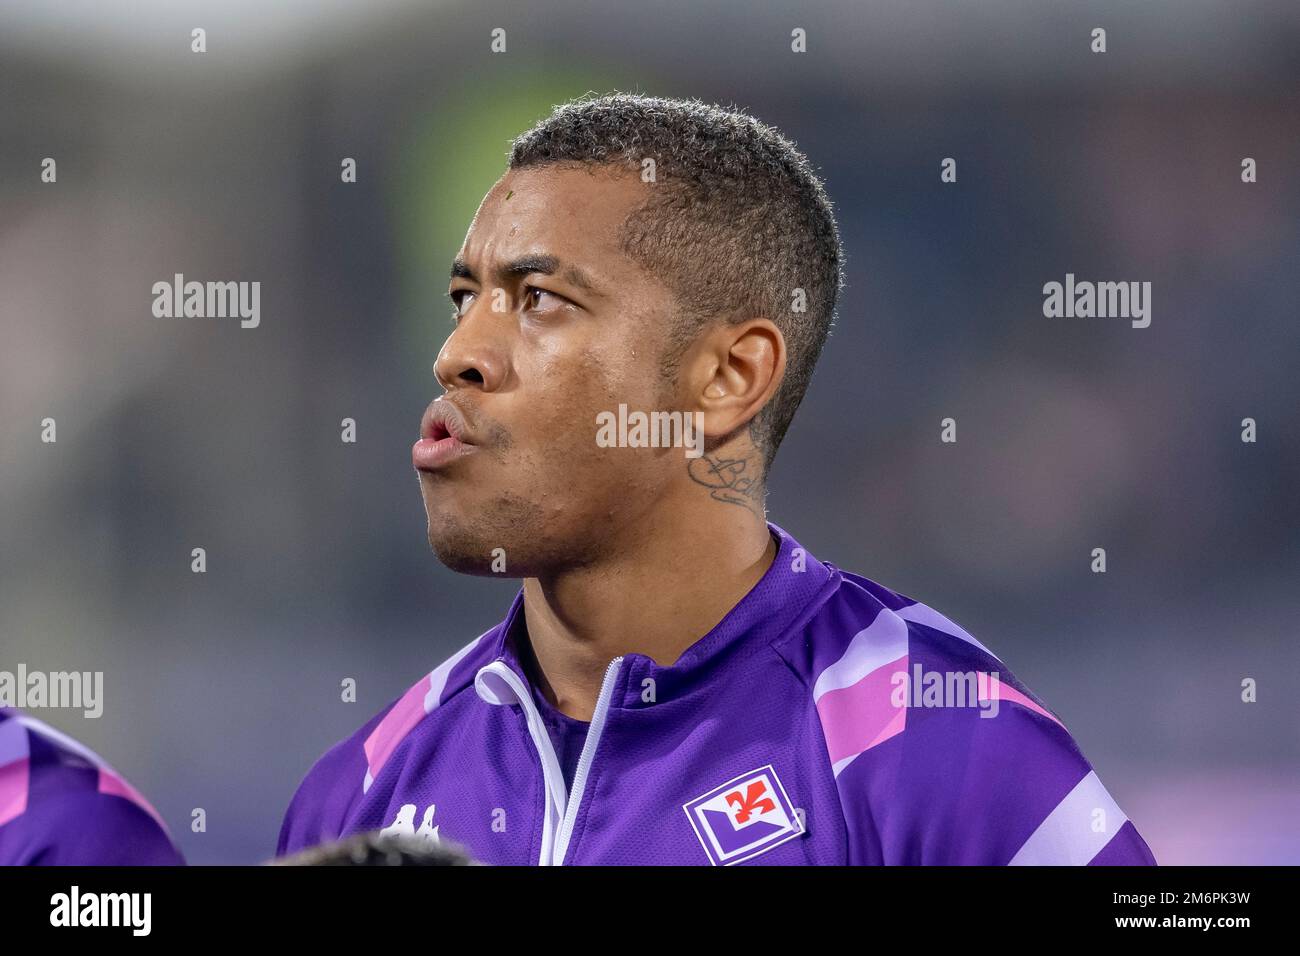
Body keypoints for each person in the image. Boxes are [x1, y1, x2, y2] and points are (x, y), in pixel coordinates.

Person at [279, 93, 1155, 865]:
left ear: (730, 377)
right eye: (464, 299)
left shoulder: (934, 739)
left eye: (540, 298)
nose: (457, 355)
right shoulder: (364, 789)